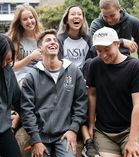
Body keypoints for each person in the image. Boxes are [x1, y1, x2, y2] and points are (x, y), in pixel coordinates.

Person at [20, 29, 88, 157]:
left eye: (55, 40)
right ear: (40, 47)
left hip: (64, 134)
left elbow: (81, 102)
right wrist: (35, 139)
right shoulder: (32, 76)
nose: (53, 42)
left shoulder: (73, 70)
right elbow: (27, 110)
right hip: (41, 136)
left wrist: (73, 129)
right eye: (48, 40)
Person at [87, 26, 139, 157]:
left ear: (117, 44)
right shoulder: (95, 65)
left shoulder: (136, 67)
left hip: (129, 130)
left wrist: (133, 141)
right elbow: (92, 95)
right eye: (99, 51)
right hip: (104, 132)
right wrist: (90, 125)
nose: (103, 55)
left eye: (107, 49)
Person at [57, 5, 98, 157]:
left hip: (85, 78)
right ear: (67, 19)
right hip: (66, 79)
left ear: (83, 19)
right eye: (72, 14)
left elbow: (91, 63)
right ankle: (87, 139)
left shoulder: (88, 39)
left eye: (79, 14)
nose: (76, 17)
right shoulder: (60, 39)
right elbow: (58, 64)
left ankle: (88, 136)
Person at [88, 0, 139, 80]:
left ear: (119, 9)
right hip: (103, 61)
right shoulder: (96, 24)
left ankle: (135, 89)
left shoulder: (132, 22)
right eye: (105, 16)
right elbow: (95, 46)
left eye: (112, 15)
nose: (109, 20)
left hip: (124, 61)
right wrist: (122, 42)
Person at [7, 3, 43, 82]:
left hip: (42, 76)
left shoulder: (43, 38)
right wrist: (31, 57)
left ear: (35, 18)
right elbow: (11, 67)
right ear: (20, 22)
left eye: (31, 17)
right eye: (25, 19)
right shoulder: (14, 40)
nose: (29, 21)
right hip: (23, 78)